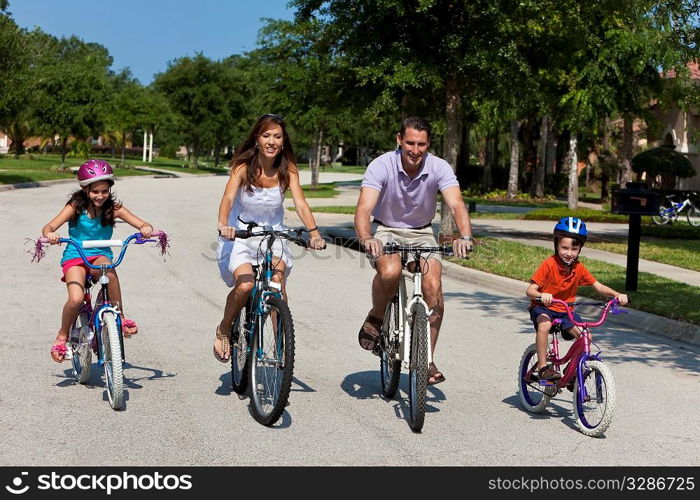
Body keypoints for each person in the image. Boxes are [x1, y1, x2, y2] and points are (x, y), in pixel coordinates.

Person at [354, 116, 473, 385]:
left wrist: (464, 236)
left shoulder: (438, 166)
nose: (415, 150)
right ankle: (376, 315)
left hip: (422, 232)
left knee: (433, 287)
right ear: (399, 139)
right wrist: (366, 237)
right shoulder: (381, 165)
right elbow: (364, 208)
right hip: (387, 229)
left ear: (428, 143)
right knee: (391, 270)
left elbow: (456, 204)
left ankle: (427, 359)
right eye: (410, 143)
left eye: (421, 144)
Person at [215, 114, 326, 362]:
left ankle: (281, 347)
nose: (272, 141)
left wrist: (314, 233)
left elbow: (300, 203)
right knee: (245, 285)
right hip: (242, 235)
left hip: (274, 235)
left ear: (284, 141)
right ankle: (223, 329)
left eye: (277, 136)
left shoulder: (289, 170)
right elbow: (228, 198)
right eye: (266, 135)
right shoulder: (242, 168)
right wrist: (224, 225)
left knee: (277, 283)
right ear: (257, 138)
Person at [41, 159, 155, 363]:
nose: (100, 196)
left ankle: (118, 315)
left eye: (105, 191)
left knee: (108, 271)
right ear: (85, 189)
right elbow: (49, 227)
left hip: (100, 253)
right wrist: (51, 235)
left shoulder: (114, 208)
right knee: (75, 299)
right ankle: (62, 335)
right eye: (95, 192)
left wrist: (145, 228)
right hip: (75, 255)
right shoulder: (74, 207)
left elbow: (141, 223)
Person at [525, 216, 629, 381]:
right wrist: (541, 295)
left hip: (565, 310)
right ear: (556, 245)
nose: (569, 253)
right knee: (544, 325)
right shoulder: (549, 264)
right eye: (564, 248)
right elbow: (530, 290)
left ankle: (572, 371)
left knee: (586, 336)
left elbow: (598, 286)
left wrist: (617, 295)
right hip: (543, 307)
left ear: (580, 248)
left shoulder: (578, 268)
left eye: (574, 249)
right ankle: (543, 367)